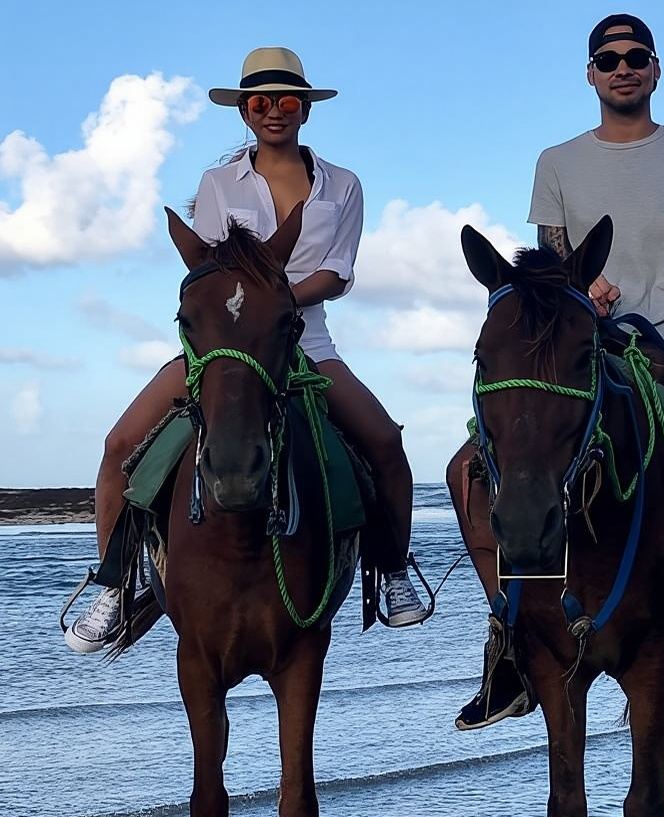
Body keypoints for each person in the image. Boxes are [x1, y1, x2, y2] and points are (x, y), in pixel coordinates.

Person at [449, 13, 664, 729]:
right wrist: (580, 294)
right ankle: (508, 637)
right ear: (591, 74)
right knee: (464, 470)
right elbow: (552, 269)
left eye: (637, 57)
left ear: (657, 70)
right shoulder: (557, 161)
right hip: (588, 351)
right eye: (608, 58)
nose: (623, 67)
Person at [65, 47, 428, 653]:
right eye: (260, 102)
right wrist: (248, 305)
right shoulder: (217, 184)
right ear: (244, 112)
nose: (274, 113)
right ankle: (113, 585)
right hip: (225, 348)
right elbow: (209, 272)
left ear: (305, 110)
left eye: (287, 101)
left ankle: (391, 570)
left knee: (386, 443)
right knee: (119, 446)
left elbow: (337, 274)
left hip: (305, 341)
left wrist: (273, 301)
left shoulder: (343, 186)